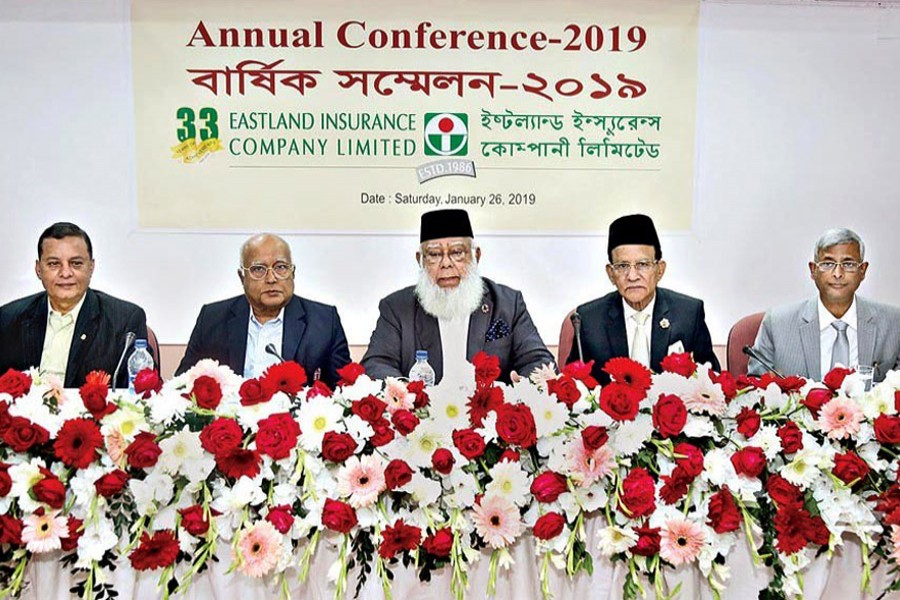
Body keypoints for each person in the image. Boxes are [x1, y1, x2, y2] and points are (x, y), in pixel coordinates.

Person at [362, 209, 554, 384]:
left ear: (476, 256)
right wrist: (407, 394)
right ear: (420, 261)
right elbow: (376, 364)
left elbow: (538, 361)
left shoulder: (507, 304)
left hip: (489, 417)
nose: (446, 263)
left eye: (456, 253)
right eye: (435, 254)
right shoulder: (397, 308)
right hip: (422, 417)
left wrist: (525, 386)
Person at [176, 233, 351, 388]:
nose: (271, 278)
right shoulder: (212, 319)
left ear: (293, 273)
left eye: (281, 267)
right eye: (258, 269)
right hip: (230, 421)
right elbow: (183, 384)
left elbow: (344, 393)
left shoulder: (324, 322)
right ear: (242, 277)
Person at [567, 214, 720, 384]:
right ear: (611, 274)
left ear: (659, 270)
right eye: (622, 266)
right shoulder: (589, 320)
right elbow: (575, 389)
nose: (632, 276)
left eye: (643, 265)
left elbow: (711, 382)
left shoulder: (689, 314)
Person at [0, 222, 148, 388]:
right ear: (38, 269)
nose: (65, 273)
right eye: (54, 264)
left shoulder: (124, 320)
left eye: (76, 263)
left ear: (91, 267)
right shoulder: (8, 319)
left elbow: (138, 395)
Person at [749, 227, 900, 382]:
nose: (838, 274)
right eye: (828, 264)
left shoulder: (894, 324)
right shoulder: (777, 324)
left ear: (862, 270)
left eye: (848, 264)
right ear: (813, 270)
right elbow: (755, 391)